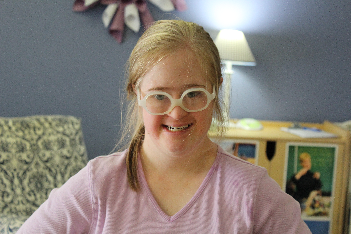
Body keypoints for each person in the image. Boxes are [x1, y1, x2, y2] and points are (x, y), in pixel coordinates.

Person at [18, 20, 311, 233]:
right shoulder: (98, 185)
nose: (176, 112)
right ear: (137, 94)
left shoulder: (251, 192)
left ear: (215, 91)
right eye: (159, 96)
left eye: (193, 94)